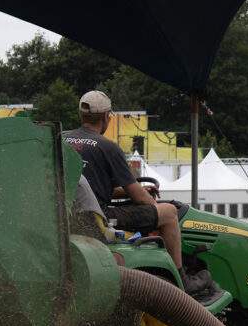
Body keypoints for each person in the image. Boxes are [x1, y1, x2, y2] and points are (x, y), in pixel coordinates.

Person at [64, 90, 184, 271]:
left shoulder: (61, 139)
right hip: (97, 220)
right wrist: (153, 204)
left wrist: (122, 191)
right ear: (106, 117)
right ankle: (180, 277)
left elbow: (87, 190)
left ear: (81, 115)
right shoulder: (107, 147)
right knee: (169, 212)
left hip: (68, 216)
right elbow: (140, 199)